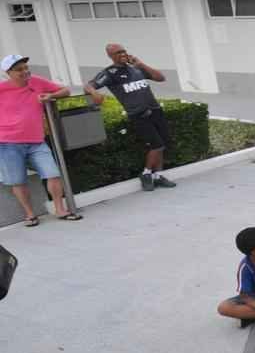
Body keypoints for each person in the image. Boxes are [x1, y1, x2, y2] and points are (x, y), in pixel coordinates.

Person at [85, 43, 177, 192]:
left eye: (123, 51)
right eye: (117, 52)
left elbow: (160, 77)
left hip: (155, 110)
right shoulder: (110, 73)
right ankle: (146, 174)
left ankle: (158, 176)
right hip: (139, 115)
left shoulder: (136, 68)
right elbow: (89, 85)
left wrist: (141, 64)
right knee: (156, 146)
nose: (122, 54)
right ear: (110, 56)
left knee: (162, 145)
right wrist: (94, 93)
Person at [0, 55, 80, 225]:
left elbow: (65, 90)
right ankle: (30, 214)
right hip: (8, 143)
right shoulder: (2, 88)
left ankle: (60, 209)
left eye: (25, 68)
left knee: (53, 174)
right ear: (8, 73)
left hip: (37, 141)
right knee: (17, 181)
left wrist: (51, 96)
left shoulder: (36, 81)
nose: (25, 72)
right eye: (19, 70)